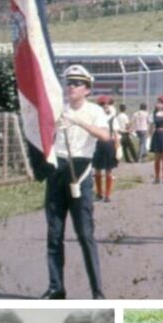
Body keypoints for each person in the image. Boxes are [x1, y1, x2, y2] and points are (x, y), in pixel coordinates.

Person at [41, 64, 111, 300]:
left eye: (77, 83)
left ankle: (98, 292)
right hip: (58, 168)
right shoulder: (59, 108)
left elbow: (105, 136)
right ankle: (56, 287)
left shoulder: (94, 111)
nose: (71, 87)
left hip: (80, 171)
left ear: (87, 89)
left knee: (85, 235)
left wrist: (78, 122)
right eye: (69, 82)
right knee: (54, 234)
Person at [92, 95, 119, 203]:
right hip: (97, 144)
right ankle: (99, 193)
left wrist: (117, 147)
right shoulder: (95, 119)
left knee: (109, 170)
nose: (105, 107)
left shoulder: (112, 119)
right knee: (97, 170)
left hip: (109, 144)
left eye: (107, 105)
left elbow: (116, 133)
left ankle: (107, 194)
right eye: (102, 105)